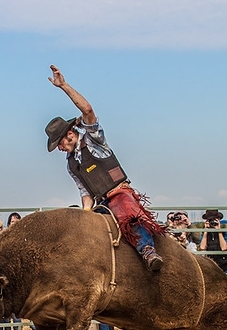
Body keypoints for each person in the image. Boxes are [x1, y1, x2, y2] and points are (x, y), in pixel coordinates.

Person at [45, 65, 165, 271]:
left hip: (119, 194)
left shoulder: (93, 139)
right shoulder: (71, 165)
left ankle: (147, 250)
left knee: (127, 211)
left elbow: (88, 110)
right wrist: (85, 215)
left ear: (70, 134)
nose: (60, 149)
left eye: (60, 143)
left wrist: (64, 86)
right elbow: (85, 194)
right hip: (101, 204)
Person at [199, 209, 227, 274]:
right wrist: (206, 231)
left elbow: (224, 248)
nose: (212, 222)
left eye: (214, 220)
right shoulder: (205, 234)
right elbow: (202, 247)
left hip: (225, 266)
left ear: (218, 220)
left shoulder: (226, 232)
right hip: (211, 266)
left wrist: (219, 230)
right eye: (210, 220)